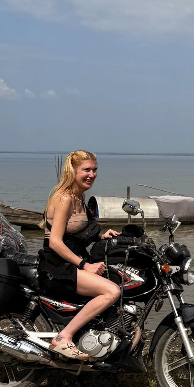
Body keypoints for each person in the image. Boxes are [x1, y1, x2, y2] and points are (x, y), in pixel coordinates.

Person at [38, 150, 120, 359]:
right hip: (57, 267)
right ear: (72, 171)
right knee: (111, 292)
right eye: (86, 170)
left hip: (72, 261)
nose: (91, 175)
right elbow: (55, 242)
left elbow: (76, 231)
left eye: (94, 170)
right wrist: (85, 265)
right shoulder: (64, 198)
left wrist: (101, 236)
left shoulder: (80, 196)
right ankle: (63, 337)